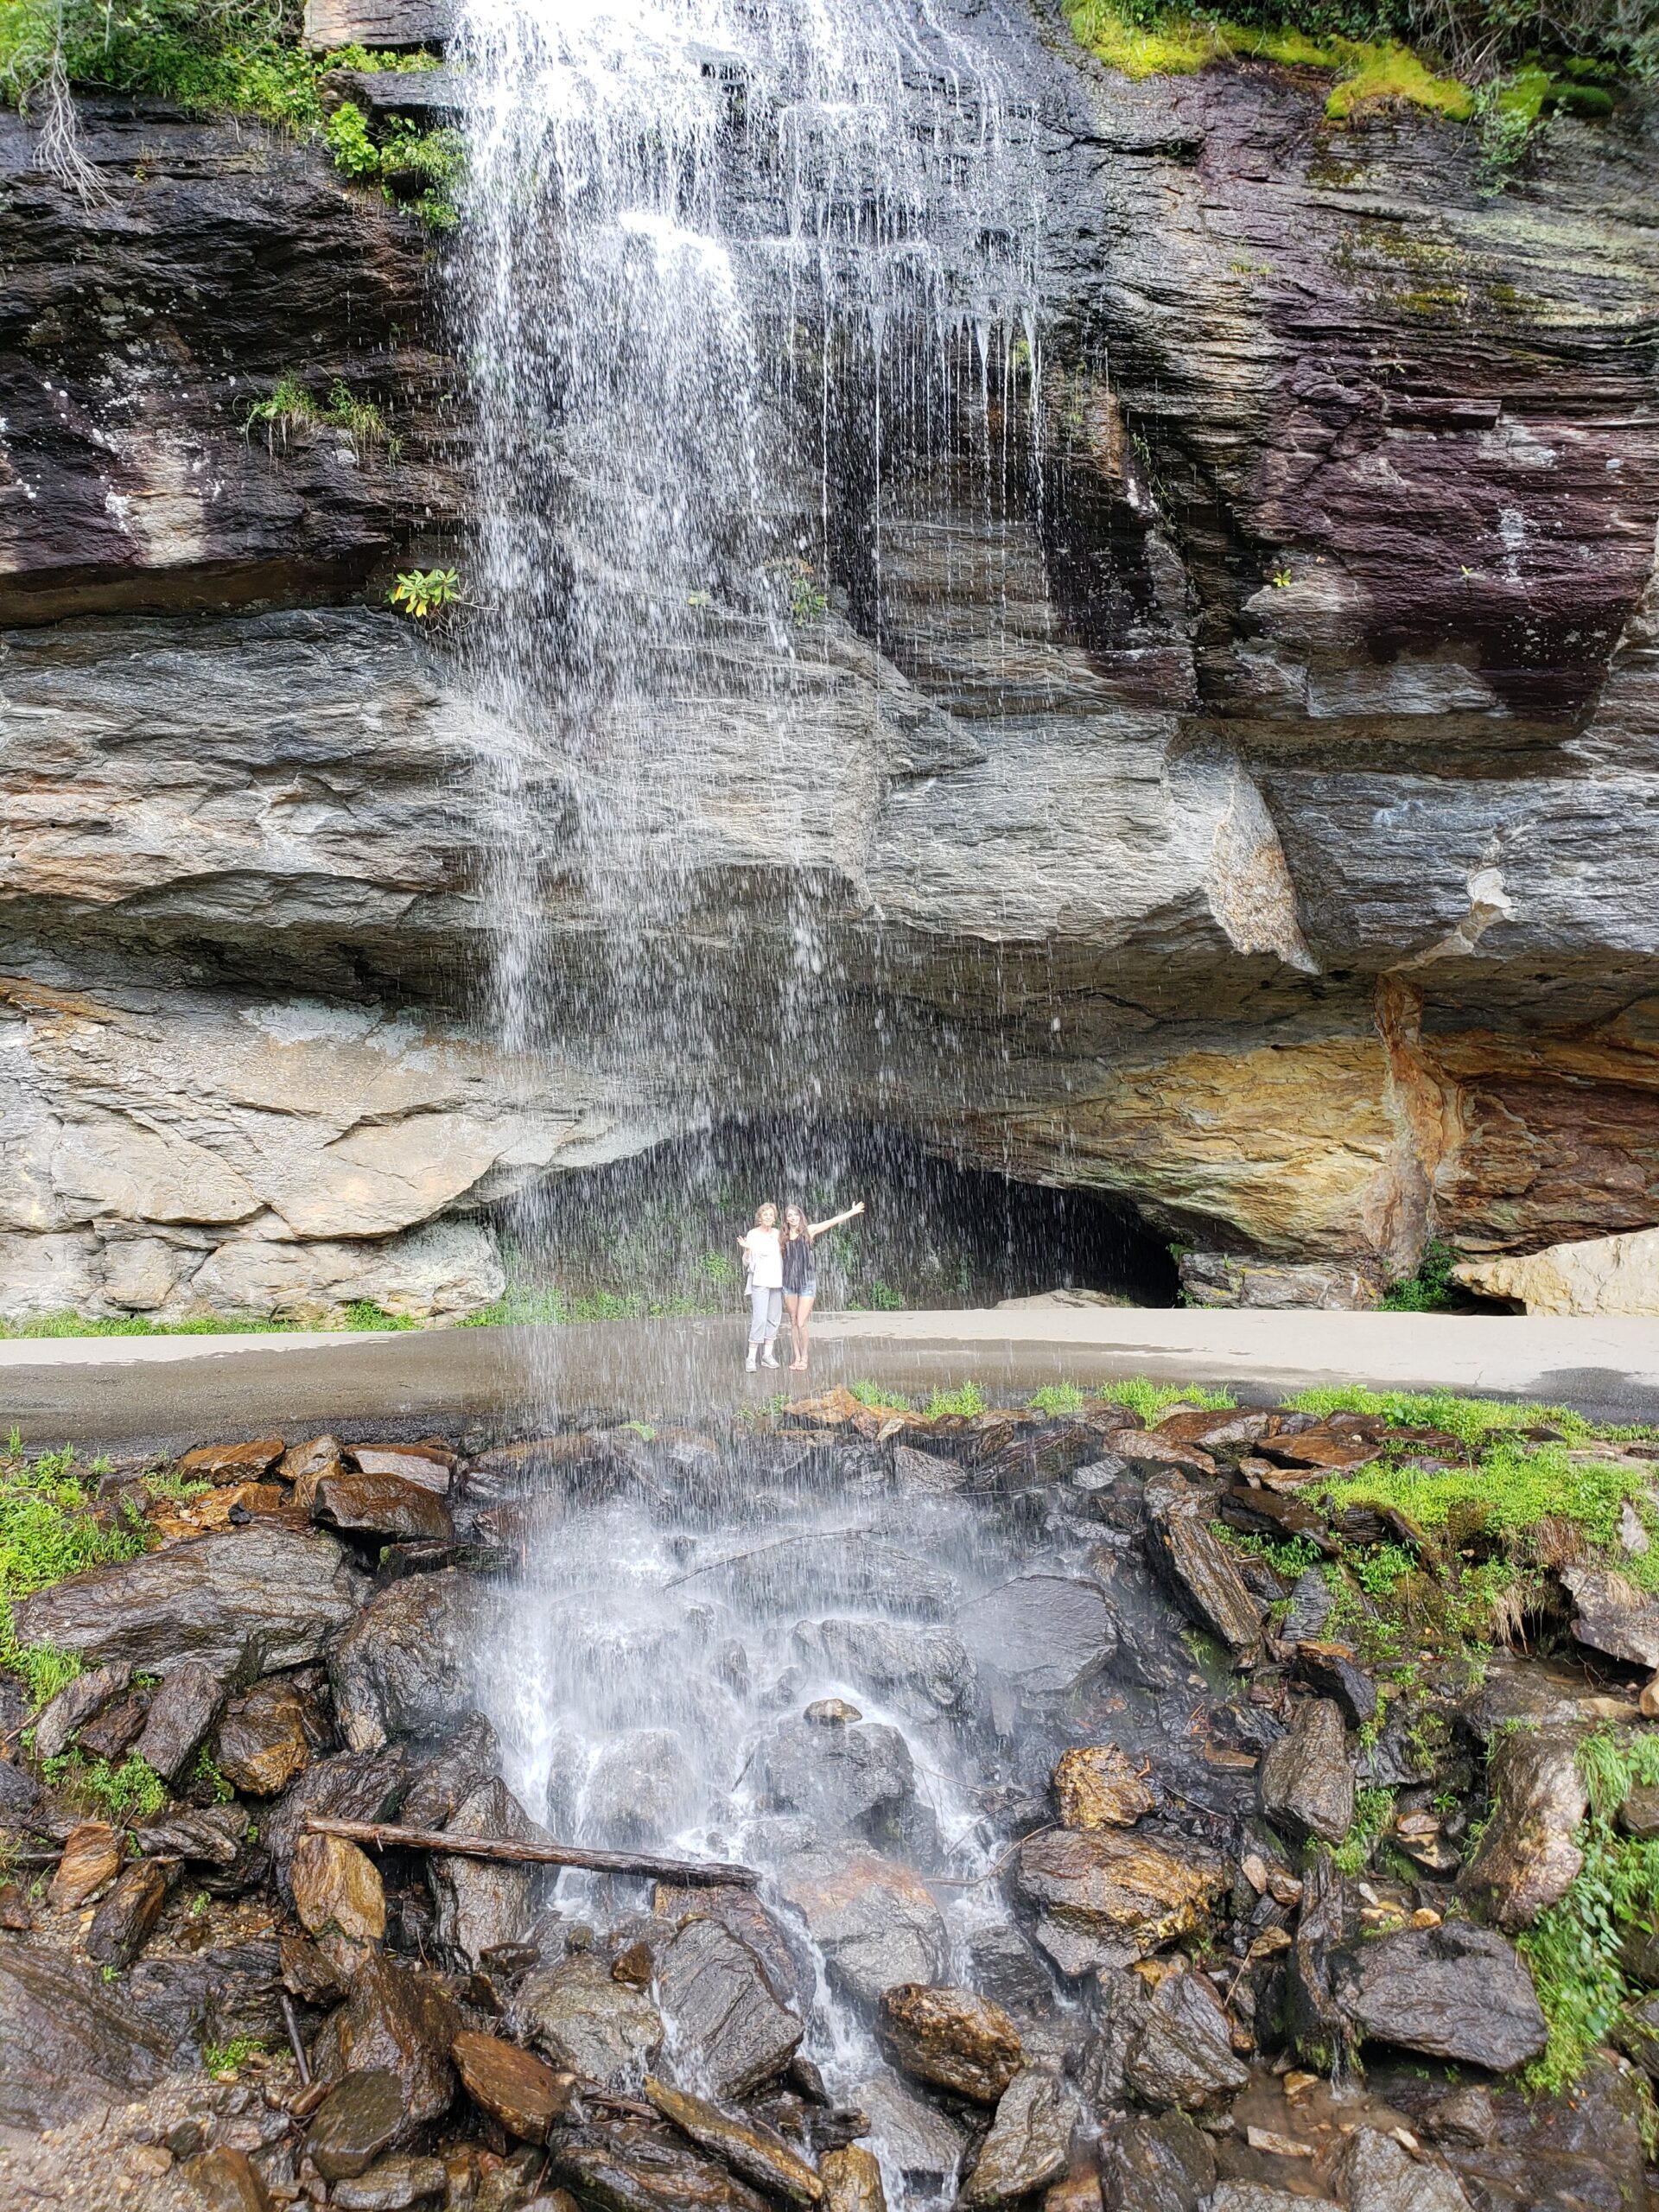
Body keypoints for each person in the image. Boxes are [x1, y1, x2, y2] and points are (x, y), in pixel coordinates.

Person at [780, 1197, 866, 1372]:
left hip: (807, 1282)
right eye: (790, 1215)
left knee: (801, 1322)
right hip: (789, 1284)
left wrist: (851, 1212)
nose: (793, 1218)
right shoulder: (783, 1237)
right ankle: (796, 1357)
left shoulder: (808, 1231)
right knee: (793, 1321)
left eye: (796, 1214)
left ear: (800, 1216)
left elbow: (832, 1221)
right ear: (786, 1219)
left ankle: (805, 1357)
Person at [738, 1202, 785, 1372]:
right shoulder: (753, 1234)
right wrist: (747, 1250)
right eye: (765, 1214)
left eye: (771, 1214)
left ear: (775, 1218)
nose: (768, 1217)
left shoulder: (778, 1234)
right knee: (760, 1319)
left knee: (774, 1318)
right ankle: (751, 1358)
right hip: (759, 1282)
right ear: (760, 1217)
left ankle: (767, 1355)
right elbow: (746, 1262)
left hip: (777, 1282)